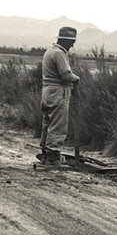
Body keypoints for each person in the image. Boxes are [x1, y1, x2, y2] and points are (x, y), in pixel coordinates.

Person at [39, 26, 80, 165]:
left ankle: (45, 151)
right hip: (58, 91)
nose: (73, 44)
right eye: (71, 41)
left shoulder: (50, 51)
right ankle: (53, 154)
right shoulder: (59, 53)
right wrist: (76, 78)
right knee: (58, 123)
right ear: (65, 41)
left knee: (47, 122)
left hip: (47, 91)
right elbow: (66, 74)